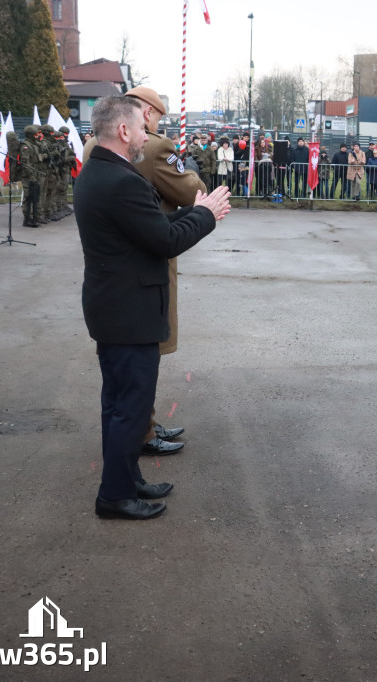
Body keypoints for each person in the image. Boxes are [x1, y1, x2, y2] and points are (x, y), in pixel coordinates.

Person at [75, 95, 231, 521]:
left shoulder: (99, 171)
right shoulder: (121, 181)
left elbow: (151, 229)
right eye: (141, 129)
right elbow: (165, 241)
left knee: (118, 405)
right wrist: (205, 215)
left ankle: (126, 480)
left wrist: (195, 212)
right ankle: (114, 496)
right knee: (130, 408)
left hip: (114, 307)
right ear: (123, 131)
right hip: (130, 313)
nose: (147, 136)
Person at [83, 85, 206, 455]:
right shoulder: (155, 148)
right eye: (155, 117)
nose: (152, 126)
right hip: (147, 260)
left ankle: (143, 424)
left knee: (122, 372)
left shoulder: (94, 147)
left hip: (110, 268)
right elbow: (192, 192)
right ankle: (141, 431)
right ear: (147, 112)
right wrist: (193, 174)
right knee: (142, 358)